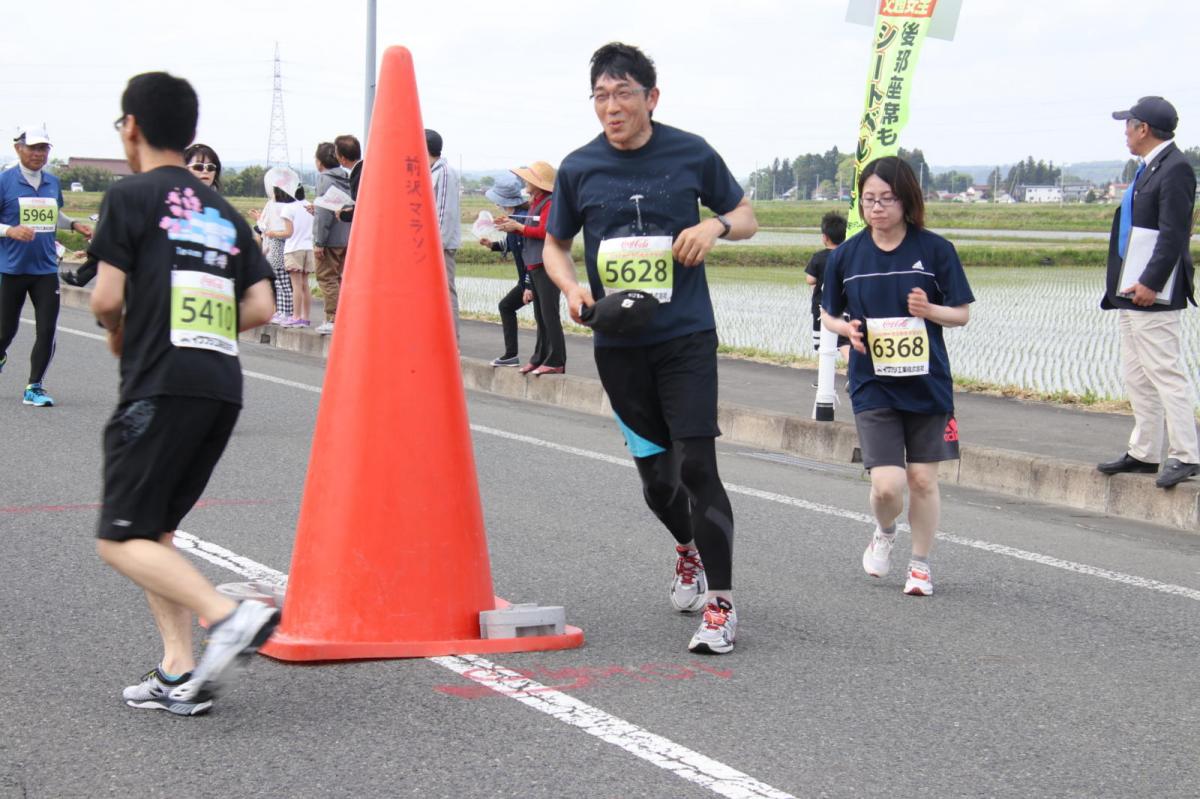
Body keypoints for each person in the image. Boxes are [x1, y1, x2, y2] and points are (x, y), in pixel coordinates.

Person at [543, 43, 757, 654]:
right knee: (659, 484)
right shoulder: (579, 167)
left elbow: (746, 215)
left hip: (685, 336)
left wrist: (714, 225)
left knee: (697, 467)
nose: (611, 107)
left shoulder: (690, 152)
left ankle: (721, 607)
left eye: (623, 94)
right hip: (618, 345)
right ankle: (686, 549)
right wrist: (571, 287)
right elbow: (556, 244)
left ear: (651, 98)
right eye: (601, 96)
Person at [88, 71, 278, 715]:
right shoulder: (223, 211)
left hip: (158, 385)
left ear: (132, 128)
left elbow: (105, 298)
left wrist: (122, 329)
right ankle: (178, 671)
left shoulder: (129, 195)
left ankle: (228, 617)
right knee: (156, 533)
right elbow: (262, 305)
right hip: (219, 386)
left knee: (119, 538)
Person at [820, 156, 974, 598]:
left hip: (928, 383)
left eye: (886, 198)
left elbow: (961, 314)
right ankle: (885, 530)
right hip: (873, 383)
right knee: (887, 486)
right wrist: (847, 330)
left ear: (906, 200)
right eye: (869, 199)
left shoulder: (935, 250)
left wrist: (929, 310)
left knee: (923, 479)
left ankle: (920, 565)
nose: (877, 207)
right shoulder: (847, 255)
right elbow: (828, 315)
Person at [1097, 96, 1199, 489]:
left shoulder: (1175, 169)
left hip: (1153, 291)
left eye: (1129, 124)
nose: (1124, 132)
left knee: (1165, 372)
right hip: (1130, 288)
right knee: (1137, 374)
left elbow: (1174, 234)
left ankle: (1186, 455)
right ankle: (1144, 452)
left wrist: (1151, 283)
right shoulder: (1149, 168)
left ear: (1144, 129)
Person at [0, 124, 93, 406]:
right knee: (5, 331)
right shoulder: (5, 181)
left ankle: (34, 387)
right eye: (33, 148)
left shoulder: (51, 182)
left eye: (44, 148)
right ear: (18, 148)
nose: (39, 154)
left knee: (47, 329)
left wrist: (74, 224)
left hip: (45, 269)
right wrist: (9, 230)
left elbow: (54, 214)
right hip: (11, 269)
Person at [498, 162, 565, 376]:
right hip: (535, 264)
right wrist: (513, 227)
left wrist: (519, 227)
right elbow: (529, 230)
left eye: (528, 179)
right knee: (540, 316)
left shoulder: (550, 203)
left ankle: (556, 360)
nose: (525, 182)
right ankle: (539, 358)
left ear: (538, 183)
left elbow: (546, 232)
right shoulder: (536, 202)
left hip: (547, 265)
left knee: (549, 315)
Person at [479, 173, 532, 366]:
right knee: (507, 307)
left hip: (535, 278)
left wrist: (529, 285)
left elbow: (531, 253)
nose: (496, 204)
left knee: (545, 320)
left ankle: (546, 360)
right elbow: (512, 244)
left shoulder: (522, 219)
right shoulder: (514, 217)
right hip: (528, 280)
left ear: (502, 200)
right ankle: (512, 355)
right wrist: (492, 245)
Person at [312, 142, 351, 335]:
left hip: (329, 238)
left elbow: (323, 214)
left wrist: (319, 241)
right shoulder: (346, 177)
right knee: (339, 278)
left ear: (320, 161)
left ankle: (333, 318)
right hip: (345, 236)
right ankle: (344, 316)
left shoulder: (324, 179)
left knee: (327, 278)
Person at [426, 129, 462, 337]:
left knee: (446, 293)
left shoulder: (444, 172)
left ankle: (451, 341)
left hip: (441, 247)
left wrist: (436, 247)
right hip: (431, 247)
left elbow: (444, 213)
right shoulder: (431, 172)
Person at [805, 211, 850, 367]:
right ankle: (851, 369)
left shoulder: (819, 257)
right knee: (844, 343)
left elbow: (810, 279)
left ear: (825, 237)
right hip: (845, 308)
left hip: (821, 307)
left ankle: (823, 375)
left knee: (822, 345)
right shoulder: (848, 256)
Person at [249, 173, 293, 325]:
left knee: (280, 283)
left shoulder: (271, 205)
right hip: (288, 246)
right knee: (286, 282)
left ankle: (283, 312)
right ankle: (285, 312)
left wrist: (258, 218)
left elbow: (263, 226)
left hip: (274, 245)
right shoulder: (290, 205)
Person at [273, 180, 314, 327]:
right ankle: (305, 318)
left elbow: (288, 233)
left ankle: (295, 317)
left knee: (296, 285)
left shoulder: (288, 208)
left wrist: (273, 233)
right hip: (308, 248)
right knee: (305, 285)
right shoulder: (309, 205)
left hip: (293, 249)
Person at [335, 134, 362, 224]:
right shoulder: (363, 169)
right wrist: (352, 209)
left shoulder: (358, 176)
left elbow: (363, 209)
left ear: (343, 159)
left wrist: (343, 215)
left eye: (336, 154)